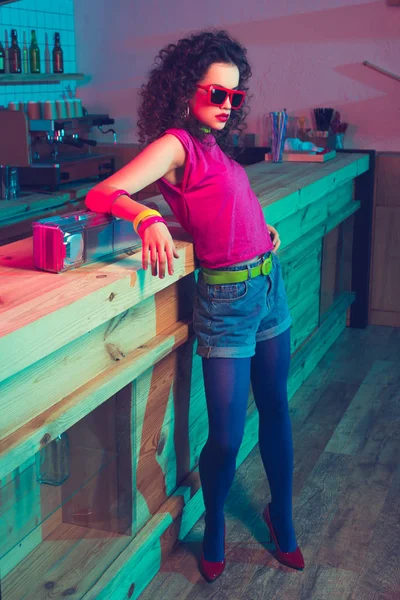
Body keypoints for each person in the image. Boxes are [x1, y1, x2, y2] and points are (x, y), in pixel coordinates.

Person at [85, 28, 304, 582]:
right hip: (227, 297)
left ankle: (283, 516)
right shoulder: (176, 144)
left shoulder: (215, 146)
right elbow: (103, 194)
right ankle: (215, 524)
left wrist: (263, 231)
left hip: (268, 282)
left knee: (276, 409)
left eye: (234, 96)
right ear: (186, 90)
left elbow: (227, 210)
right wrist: (148, 217)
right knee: (228, 435)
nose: (228, 106)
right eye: (216, 94)